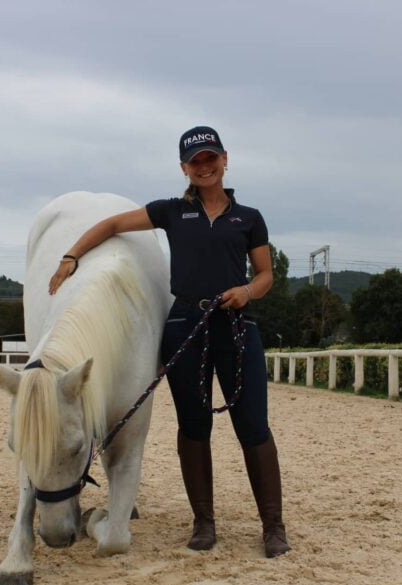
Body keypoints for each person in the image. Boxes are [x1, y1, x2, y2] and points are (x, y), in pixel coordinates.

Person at [48, 125, 290, 558]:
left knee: (253, 427)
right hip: (185, 324)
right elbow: (111, 224)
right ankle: (204, 523)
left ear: (225, 159)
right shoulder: (172, 212)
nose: (205, 167)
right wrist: (71, 256)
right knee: (194, 428)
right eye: (195, 161)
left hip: (236, 326)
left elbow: (266, 273)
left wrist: (248, 292)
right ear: (184, 168)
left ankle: (273, 526)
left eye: (211, 158)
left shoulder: (249, 217)